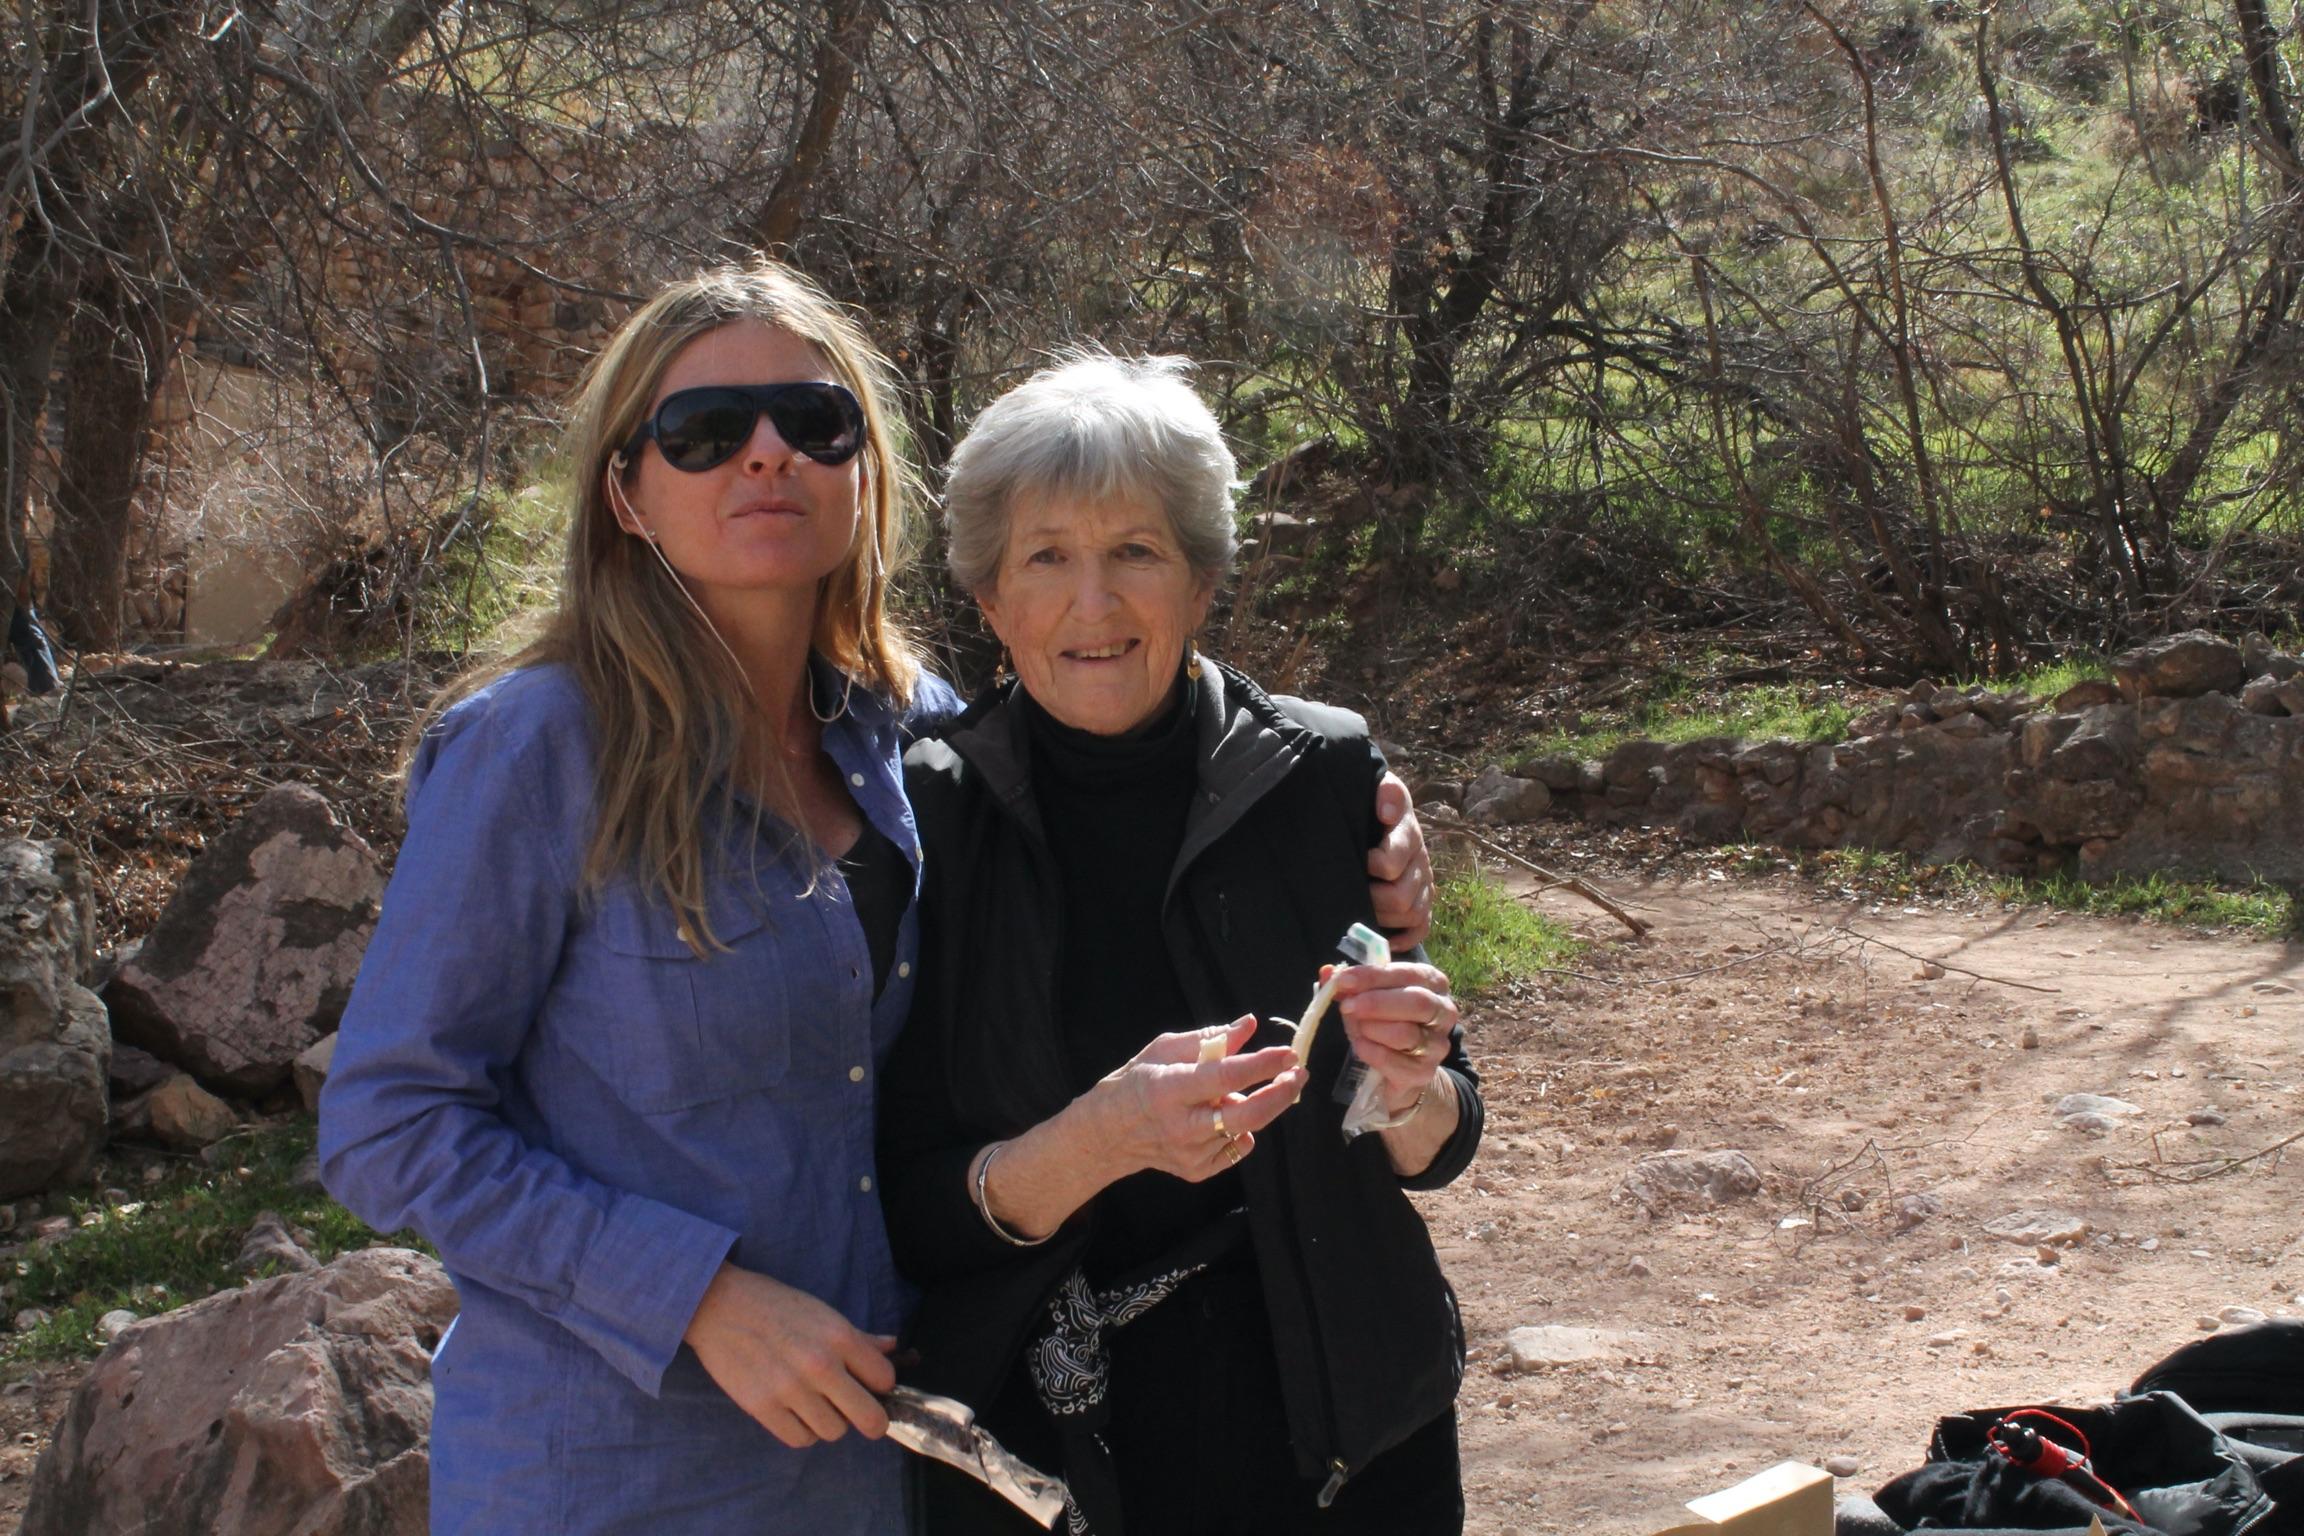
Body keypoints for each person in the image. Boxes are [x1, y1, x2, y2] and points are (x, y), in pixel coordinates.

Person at [318, 265, 1436, 1536]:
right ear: (626, 490)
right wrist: (696, 1298)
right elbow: (387, 1120)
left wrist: (1366, 834)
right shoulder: (539, 749)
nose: (764, 457)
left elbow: (1133, 762)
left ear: (863, 467)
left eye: (812, 420)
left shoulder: (910, 740)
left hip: (890, 1466)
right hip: (619, 1467)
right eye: (703, 433)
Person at [880, 351, 1481, 1536]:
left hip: (1346, 1429)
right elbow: (906, 1207)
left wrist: (1407, 1088)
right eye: (1047, 556)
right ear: (990, 598)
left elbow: (1440, 1135)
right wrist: (1092, 1145)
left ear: (1203, 583)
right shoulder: (921, 823)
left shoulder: (1322, 773)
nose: (1093, 605)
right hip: (1044, 1456)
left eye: (1136, 553)